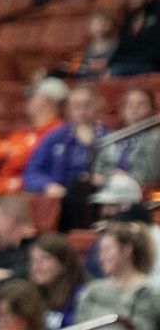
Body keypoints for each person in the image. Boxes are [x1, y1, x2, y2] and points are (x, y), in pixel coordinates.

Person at [69, 222, 160, 330]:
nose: (101, 258)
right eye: (100, 251)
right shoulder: (92, 290)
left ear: (126, 250)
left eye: (107, 250)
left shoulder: (146, 292)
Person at [23, 83, 111, 229]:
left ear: (96, 105)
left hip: (99, 194)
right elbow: (32, 172)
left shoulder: (109, 136)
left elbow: (121, 168)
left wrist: (106, 177)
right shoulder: (54, 137)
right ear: (69, 108)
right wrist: (48, 185)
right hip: (63, 197)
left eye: (87, 104)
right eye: (77, 105)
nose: (82, 109)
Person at [110, 0, 160, 77]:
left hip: (150, 69)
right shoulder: (129, 18)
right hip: (127, 70)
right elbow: (121, 49)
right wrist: (109, 66)